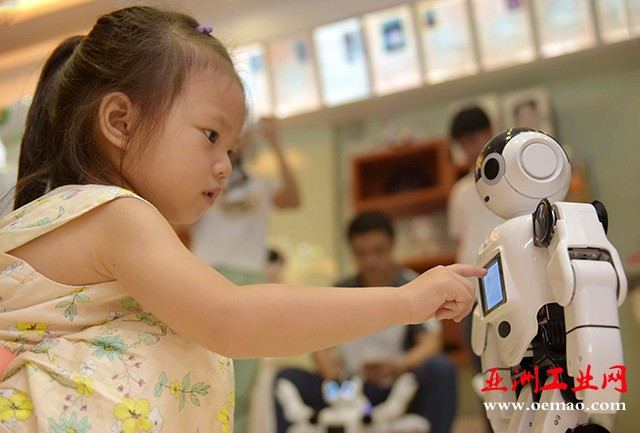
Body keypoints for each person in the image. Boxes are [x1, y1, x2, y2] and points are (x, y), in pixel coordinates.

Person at [0, 5, 484, 432]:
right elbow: (232, 319)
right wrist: (407, 300)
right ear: (121, 122)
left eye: (231, 149)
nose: (225, 166)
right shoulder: (116, 215)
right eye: (211, 136)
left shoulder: (87, 216)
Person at [275, 211, 458, 433]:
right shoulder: (340, 291)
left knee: (440, 368)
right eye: (362, 253)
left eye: (378, 251)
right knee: (287, 379)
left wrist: (398, 365)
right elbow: (318, 345)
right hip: (350, 389)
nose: (371, 261)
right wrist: (336, 376)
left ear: (392, 246)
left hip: (396, 385)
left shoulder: (412, 285)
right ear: (352, 252)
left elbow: (431, 342)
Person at [188, 116, 300, 433]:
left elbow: (293, 200)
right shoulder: (203, 180)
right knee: (201, 371)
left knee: (244, 378)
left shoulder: (260, 185)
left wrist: (275, 143)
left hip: (250, 280)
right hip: (205, 276)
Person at [447, 106, 504, 432]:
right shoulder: (460, 192)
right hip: (472, 290)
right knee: (485, 376)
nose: (471, 147)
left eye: (475, 138)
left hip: (509, 280)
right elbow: (460, 240)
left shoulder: (512, 179)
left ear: (490, 131)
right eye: (464, 142)